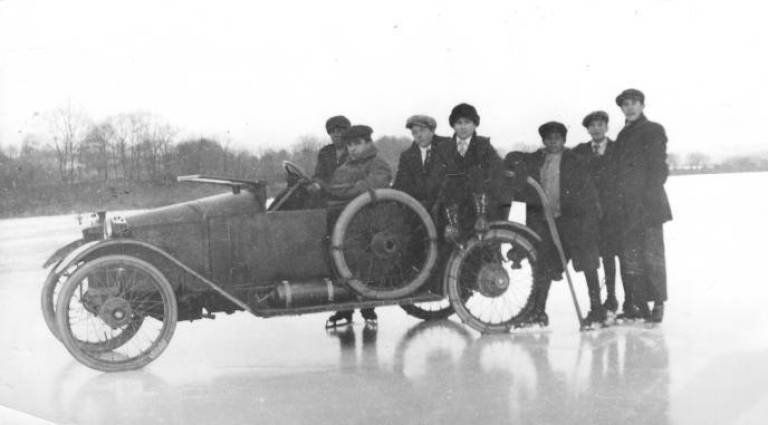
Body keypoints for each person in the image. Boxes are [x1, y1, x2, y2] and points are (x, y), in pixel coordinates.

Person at [504, 121, 605, 328]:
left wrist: (588, 221)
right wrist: (516, 161)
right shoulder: (537, 159)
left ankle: (597, 311)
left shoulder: (575, 160)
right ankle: (538, 312)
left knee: (588, 265)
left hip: (574, 223)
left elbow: (588, 192)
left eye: (557, 139)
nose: (553, 143)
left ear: (564, 140)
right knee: (545, 268)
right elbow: (512, 157)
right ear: (543, 141)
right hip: (550, 224)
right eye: (549, 139)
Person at [324, 124, 393, 328]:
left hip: (368, 223)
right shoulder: (345, 166)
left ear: (368, 143)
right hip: (342, 220)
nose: (352, 148)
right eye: (349, 145)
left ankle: (368, 309)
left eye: (357, 144)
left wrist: (345, 191)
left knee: (361, 263)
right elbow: (334, 189)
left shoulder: (378, 163)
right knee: (336, 262)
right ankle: (344, 309)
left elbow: (373, 185)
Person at [612, 89, 671, 323]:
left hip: (648, 207)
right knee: (633, 258)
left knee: (652, 256)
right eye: (625, 104)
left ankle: (658, 303)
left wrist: (645, 200)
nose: (630, 108)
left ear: (642, 105)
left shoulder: (653, 129)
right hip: (627, 207)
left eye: (634, 103)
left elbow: (659, 169)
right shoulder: (623, 134)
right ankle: (639, 304)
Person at [573, 111, 626, 315]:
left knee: (610, 255)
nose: (596, 129)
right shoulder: (579, 151)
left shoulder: (617, 149)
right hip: (589, 213)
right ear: (587, 129)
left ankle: (612, 296)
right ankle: (596, 302)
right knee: (592, 256)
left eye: (600, 125)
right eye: (592, 126)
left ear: (606, 127)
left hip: (612, 213)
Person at [431, 103, 505, 242]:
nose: (463, 127)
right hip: (451, 211)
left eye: (467, 122)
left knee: (479, 252)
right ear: (453, 125)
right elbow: (436, 178)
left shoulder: (484, 146)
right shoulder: (443, 148)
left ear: (475, 124)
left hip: (478, 211)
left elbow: (497, 173)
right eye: (459, 123)